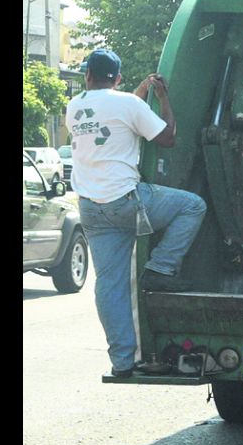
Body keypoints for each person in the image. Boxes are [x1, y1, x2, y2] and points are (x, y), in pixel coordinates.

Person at [66, 49, 207, 378]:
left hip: (90, 208)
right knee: (191, 206)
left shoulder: (75, 107)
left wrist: (140, 94)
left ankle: (123, 362)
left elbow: (112, 113)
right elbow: (167, 137)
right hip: (126, 202)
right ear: (116, 78)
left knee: (109, 285)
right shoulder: (128, 104)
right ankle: (161, 267)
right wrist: (163, 98)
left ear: (87, 75)